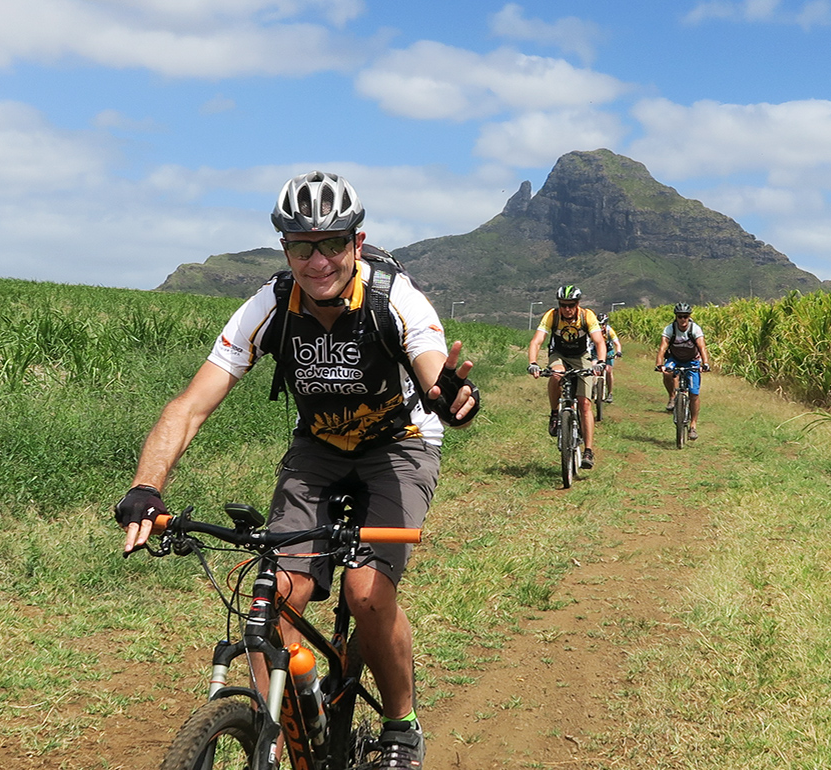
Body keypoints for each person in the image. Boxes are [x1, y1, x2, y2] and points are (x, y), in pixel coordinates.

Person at [115, 170, 478, 770]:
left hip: (399, 443)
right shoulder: (270, 305)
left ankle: (401, 724)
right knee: (276, 597)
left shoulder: (394, 298)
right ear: (285, 249)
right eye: (302, 246)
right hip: (320, 447)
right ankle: (277, 732)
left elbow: (430, 363)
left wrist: (446, 395)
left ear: (357, 243)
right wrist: (146, 485)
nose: (318, 261)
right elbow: (189, 406)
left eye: (332, 243)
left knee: (366, 592)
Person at [526, 285, 607, 469]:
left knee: (585, 404)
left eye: (571, 305)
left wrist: (601, 362)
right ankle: (555, 413)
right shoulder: (552, 316)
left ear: (577, 304)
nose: (567, 309)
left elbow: (599, 341)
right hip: (559, 355)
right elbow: (537, 341)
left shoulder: (587, 316)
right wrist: (533, 363)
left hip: (581, 357)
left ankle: (588, 450)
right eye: (563, 305)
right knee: (556, 375)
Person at [655, 302, 710, 440]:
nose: (683, 319)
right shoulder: (670, 329)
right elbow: (662, 347)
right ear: (676, 317)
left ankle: (693, 426)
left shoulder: (695, 329)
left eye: (685, 316)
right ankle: (672, 397)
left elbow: (702, 347)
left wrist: (705, 364)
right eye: (680, 316)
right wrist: (659, 364)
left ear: (689, 317)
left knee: (694, 394)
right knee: (667, 372)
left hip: (692, 361)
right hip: (675, 359)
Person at [599, 320, 622, 402]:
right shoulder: (595, 331)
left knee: (608, 371)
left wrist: (618, 352)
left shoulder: (609, 331)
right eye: (599, 325)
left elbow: (617, 344)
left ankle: (610, 393)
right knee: (596, 370)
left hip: (609, 351)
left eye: (602, 325)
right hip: (597, 350)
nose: (601, 327)